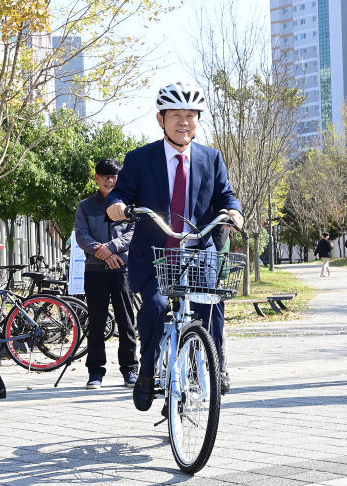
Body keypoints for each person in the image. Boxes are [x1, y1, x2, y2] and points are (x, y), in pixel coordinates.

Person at [106, 81, 243, 412]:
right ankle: (147, 371)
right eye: (176, 115)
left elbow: (225, 193)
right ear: (161, 119)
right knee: (153, 308)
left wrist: (234, 210)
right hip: (156, 256)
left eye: (191, 115)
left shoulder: (212, 158)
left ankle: (215, 364)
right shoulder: (140, 159)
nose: (184, 122)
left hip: (199, 251)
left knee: (210, 307)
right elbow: (120, 192)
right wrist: (117, 205)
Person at [75, 158, 138, 390]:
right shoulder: (85, 206)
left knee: (126, 321)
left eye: (114, 177)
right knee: (96, 321)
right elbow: (81, 235)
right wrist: (102, 252)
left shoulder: (128, 205)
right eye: (105, 176)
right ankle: (95, 372)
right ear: (97, 178)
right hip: (95, 270)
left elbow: (132, 233)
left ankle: (130, 369)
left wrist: (110, 248)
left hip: (123, 269)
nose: (110, 180)